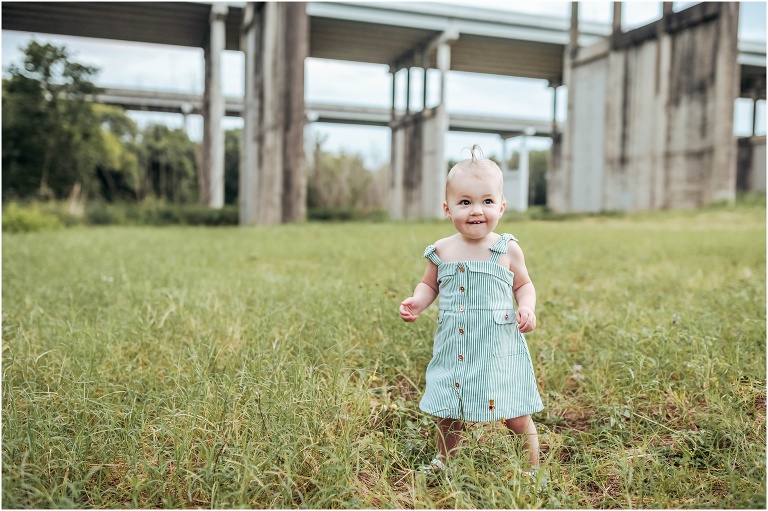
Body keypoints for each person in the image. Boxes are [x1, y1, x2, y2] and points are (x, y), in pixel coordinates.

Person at [399, 144, 544, 475]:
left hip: (497, 346)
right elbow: (430, 285)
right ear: (448, 209)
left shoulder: (506, 248)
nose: (476, 210)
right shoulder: (441, 250)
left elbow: (523, 284)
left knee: (515, 411)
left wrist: (527, 307)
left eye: (487, 201)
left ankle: (532, 469)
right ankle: (444, 460)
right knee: (448, 409)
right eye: (465, 202)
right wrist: (417, 302)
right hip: (455, 346)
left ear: (502, 206)